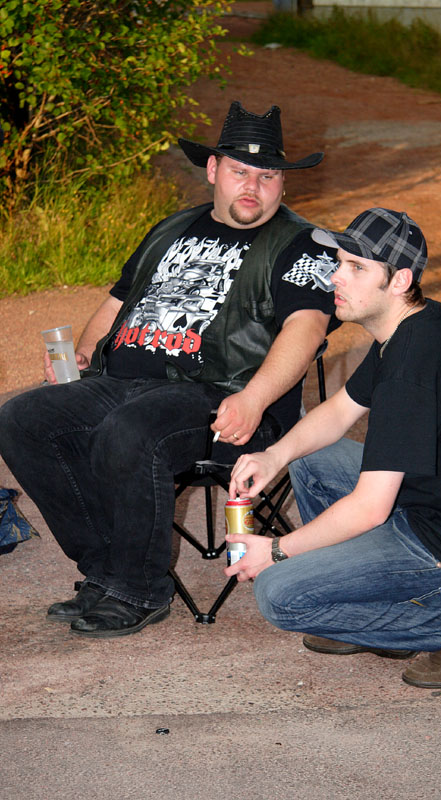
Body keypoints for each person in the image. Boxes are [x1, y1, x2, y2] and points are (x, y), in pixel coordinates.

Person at [0, 101, 339, 638]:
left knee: (132, 430)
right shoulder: (171, 228)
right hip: (123, 383)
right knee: (22, 419)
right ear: (213, 170)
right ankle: (107, 570)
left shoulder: (303, 245)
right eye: (240, 172)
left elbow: (308, 327)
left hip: (223, 395)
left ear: (283, 182)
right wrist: (85, 357)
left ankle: (138, 588)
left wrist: (254, 399)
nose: (252, 187)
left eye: (267, 176)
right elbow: (118, 303)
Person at [226, 207, 441, 689]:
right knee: (308, 454)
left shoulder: (412, 368)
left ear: (400, 280)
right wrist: (275, 456)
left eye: (356, 268)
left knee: (279, 595)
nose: (336, 277)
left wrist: (279, 551)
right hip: (435, 500)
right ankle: (367, 604)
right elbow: (338, 412)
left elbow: (370, 509)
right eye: (339, 262)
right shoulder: (413, 324)